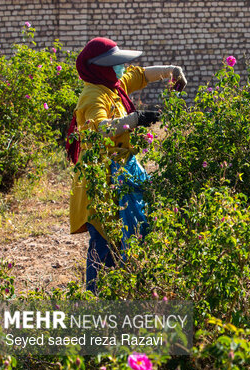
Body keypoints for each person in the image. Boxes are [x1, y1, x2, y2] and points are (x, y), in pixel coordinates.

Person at [67, 37, 187, 294]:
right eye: (116, 65)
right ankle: (94, 300)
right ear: (100, 68)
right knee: (103, 238)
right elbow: (103, 128)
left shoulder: (112, 85)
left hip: (122, 167)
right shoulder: (93, 96)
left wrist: (173, 71)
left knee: (130, 230)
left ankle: (121, 290)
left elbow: (142, 75)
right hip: (101, 176)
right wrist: (136, 118)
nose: (121, 69)